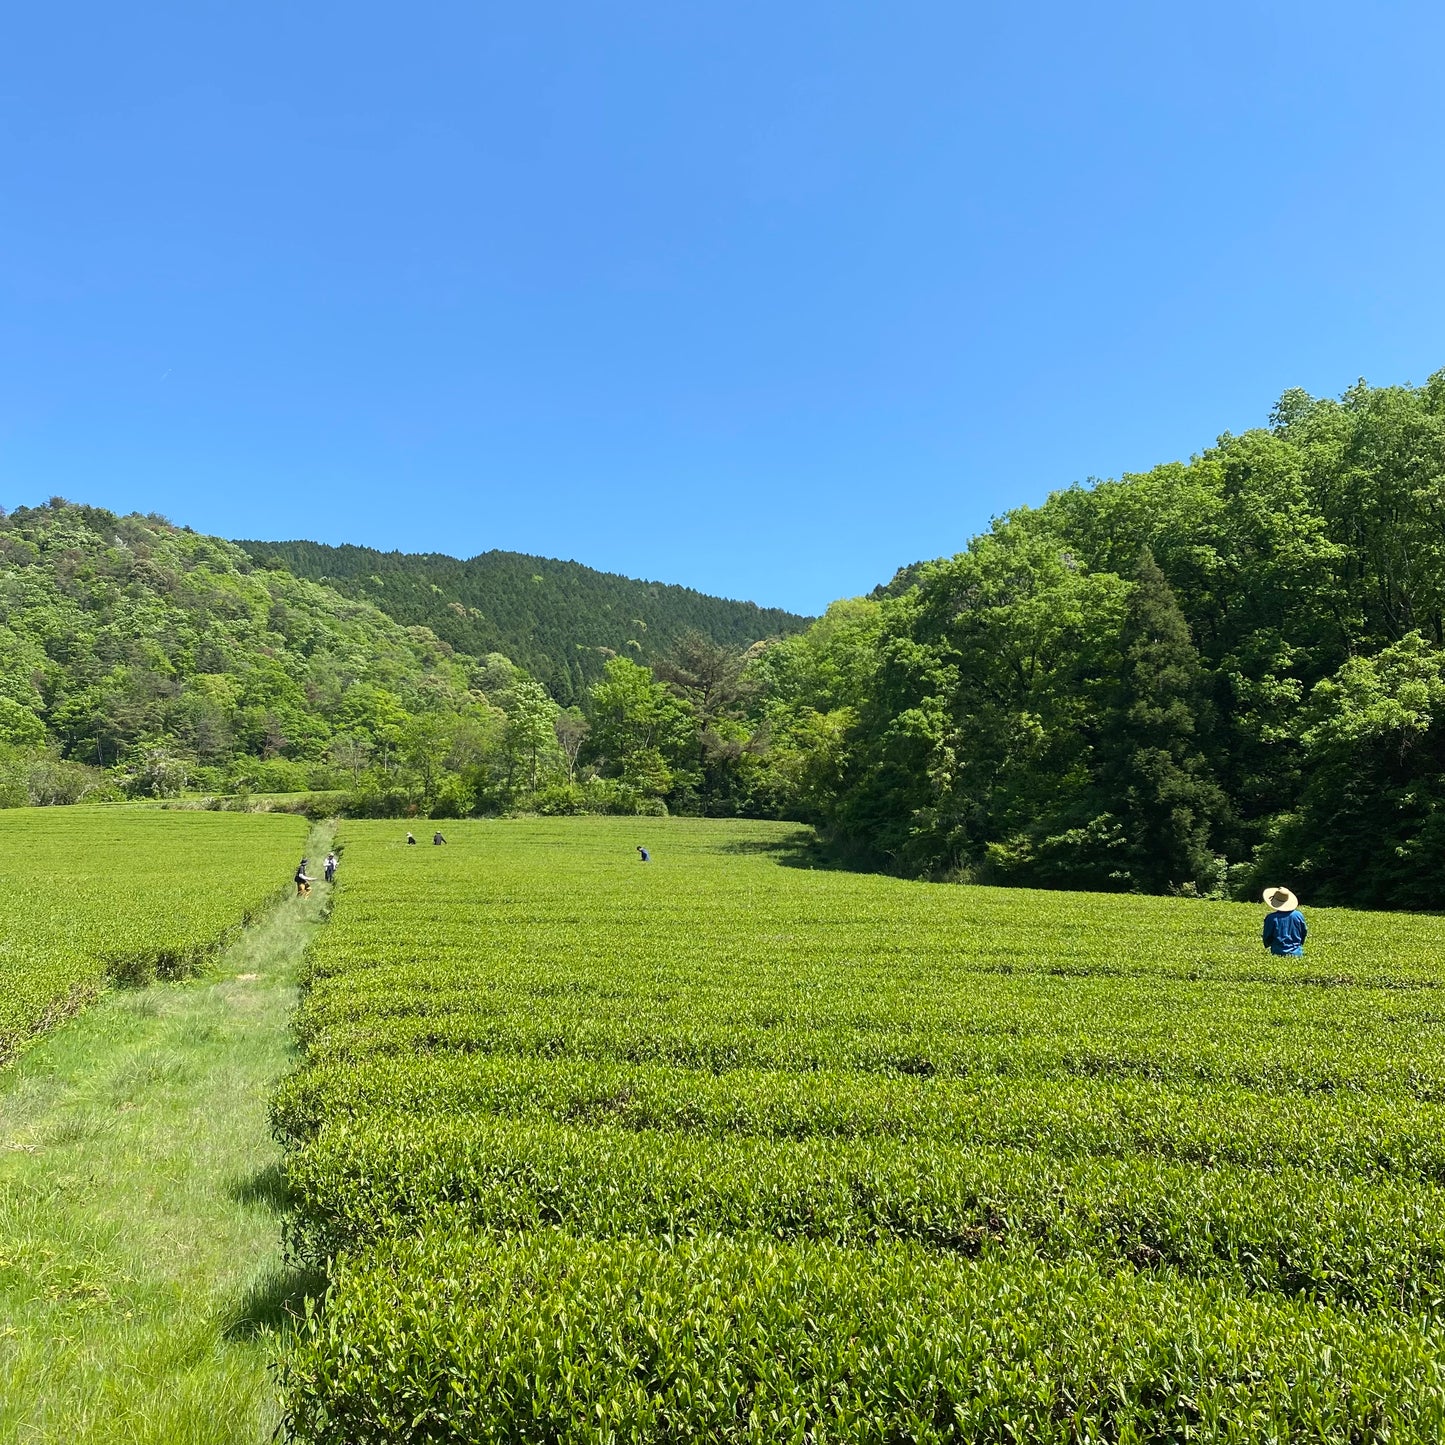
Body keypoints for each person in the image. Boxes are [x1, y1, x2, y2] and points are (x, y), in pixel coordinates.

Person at [1261, 886, 1307, 956]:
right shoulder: (1299, 915)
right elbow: (1303, 933)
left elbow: (1267, 937)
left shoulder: (1271, 918)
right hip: (1297, 953)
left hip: (1277, 952)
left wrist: (1269, 944)